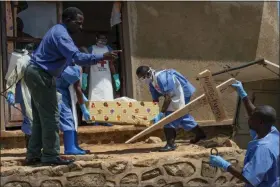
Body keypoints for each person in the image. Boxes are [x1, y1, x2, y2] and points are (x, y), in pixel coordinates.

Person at [24, 7, 120, 166]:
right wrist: (102, 56)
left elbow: (72, 60)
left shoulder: (58, 31)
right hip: (41, 75)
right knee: (51, 118)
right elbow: (77, 57)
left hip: (36, 73)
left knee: (41, 119)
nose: (81, 27)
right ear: (67, 20)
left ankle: (34, 155)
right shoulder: (61, 35)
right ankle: (50, 155)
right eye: (78, 23)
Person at [209, 81, 280, 187]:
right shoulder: (272, 133)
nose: (248, 118)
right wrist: (243, 95)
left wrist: (225, 165)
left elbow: (249, 179)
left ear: (260, 122)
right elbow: (254, 112)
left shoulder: (263, 149)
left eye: (251, 118)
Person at [136, 66, 206, 152]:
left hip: (182, 92)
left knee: (169, 118)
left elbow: (168, 97)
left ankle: (171, 144)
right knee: (182, 116)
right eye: (140, 79)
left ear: (148, 74)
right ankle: (200, 134)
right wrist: (154, 113)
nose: (143, 80)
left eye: (142, 78)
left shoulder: (161, 78)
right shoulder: (151, 83)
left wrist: (161, 113)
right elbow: (155, 100)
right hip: (173, 95)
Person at [85, 33, 121, 126]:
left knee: (108, 97)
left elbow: (112, 64)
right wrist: (85, 76)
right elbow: (88, 64)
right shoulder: (91, 49)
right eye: (100, 38)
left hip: (106, 78)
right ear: (96, 38)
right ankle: (95, 120)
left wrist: (115, 77)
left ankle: (107, 120)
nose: (102, 40)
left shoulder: (108, 49)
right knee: (94, 98)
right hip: (95, 78)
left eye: (104, 39)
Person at [56, 65, 90, 155]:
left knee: (73, 120)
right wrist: (83, 108)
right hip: (59, 96)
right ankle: (70, 147)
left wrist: (83, 98)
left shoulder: (71, 67)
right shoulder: (70, 69)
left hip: (64, 95)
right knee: (67, 119)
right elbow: (77, 88)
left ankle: (74, 145)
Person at [5, 49, 32, 148]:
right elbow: (12, 78)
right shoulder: (24, 61)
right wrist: (11, 92)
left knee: (33, 120)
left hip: (34, 94)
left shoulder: (37, 61)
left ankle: (34, 149)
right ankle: (31, 149)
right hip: (25, 93)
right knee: (29, 119)